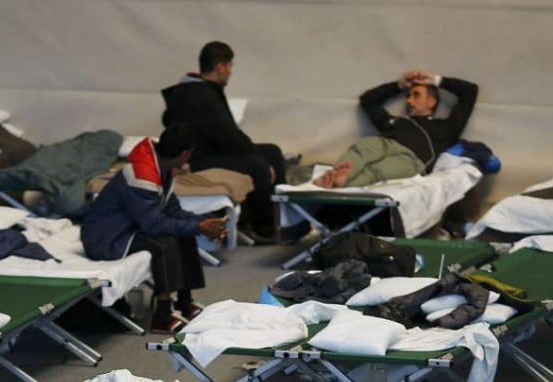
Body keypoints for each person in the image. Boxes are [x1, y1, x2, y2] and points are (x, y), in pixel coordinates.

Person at [81, 124, 228, 334]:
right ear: (184, 154)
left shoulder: (162, 169)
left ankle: (185, 303)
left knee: (184, 234)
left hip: (129, 228)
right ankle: (163, 314)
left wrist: (205, 223)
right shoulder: (143, 175)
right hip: (106, 238)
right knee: (164, 243)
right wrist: (199, 227)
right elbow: (154, 224)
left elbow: (173, 210)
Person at [161, 41, 287, 239]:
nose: (230, 72)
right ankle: (265, 228)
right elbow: (228, 136)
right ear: (221, 67)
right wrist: (258, 157)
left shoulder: (192, 90)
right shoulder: (203, 95)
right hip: (200, 160)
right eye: (230, 66)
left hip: (208, 152)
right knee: (260, 164)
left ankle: (279, 220)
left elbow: (225, 135)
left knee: (272, 151)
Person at [315, 70, 479, 188]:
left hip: (411, 161)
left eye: (416, 95)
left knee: (381, 169)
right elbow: (368, 100)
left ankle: (339, 182)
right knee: (364, 146)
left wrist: (436, 80)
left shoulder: (445, 128)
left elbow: (470, 91)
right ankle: (334, 176)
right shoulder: (394, 122)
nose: (409, 100)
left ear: (431, 102)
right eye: (408, 95)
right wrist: (399, 85)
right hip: (383, 146)